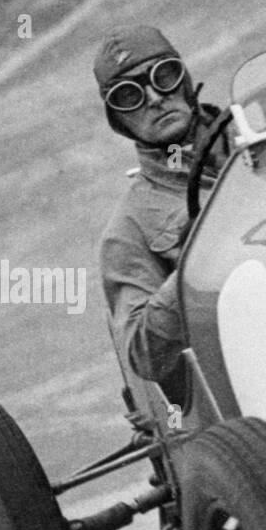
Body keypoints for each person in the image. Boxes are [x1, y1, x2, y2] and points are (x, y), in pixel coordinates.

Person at [93, 25, 227, 383]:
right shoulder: (128, 231)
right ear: (119, 120)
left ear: (183, 81)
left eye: (162, 76)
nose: (154, 97)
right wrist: (194, 270)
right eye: (129, 96)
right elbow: (145, 356)